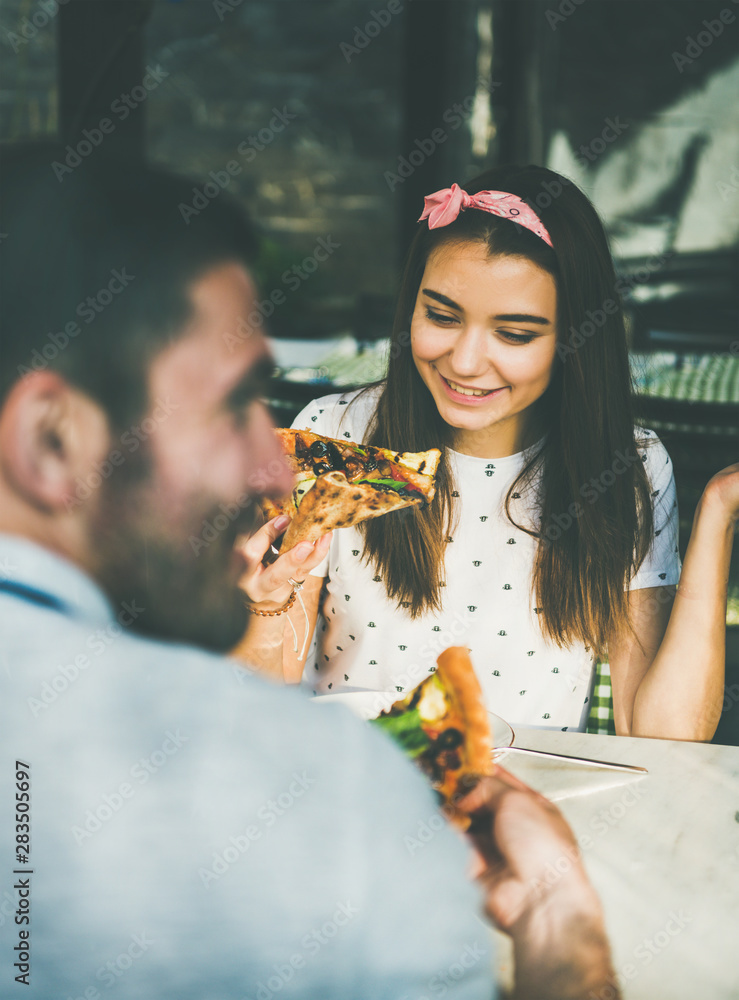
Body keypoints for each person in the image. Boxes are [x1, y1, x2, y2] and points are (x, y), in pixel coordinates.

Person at [0, 146, 621, 999]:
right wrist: (561, 924)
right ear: (49, 439)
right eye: (231, 406)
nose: (273, 467)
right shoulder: (342, 807)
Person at [239, 166, 739, 742]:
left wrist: (720, 511)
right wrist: (264, 605)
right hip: (355, 785)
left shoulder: (627, 468)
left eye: (515, 334)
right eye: (442, 316)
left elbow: (663, 738)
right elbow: (262, 706)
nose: (467, 361)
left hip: (526, 803)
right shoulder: (338, 437)